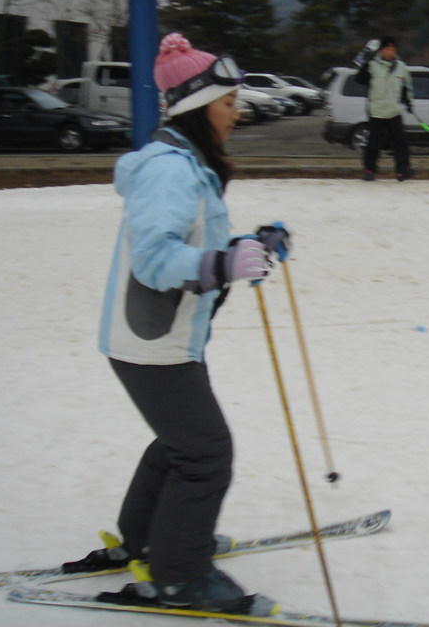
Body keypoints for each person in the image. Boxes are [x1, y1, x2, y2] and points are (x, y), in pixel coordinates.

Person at [83, 33, 290, 615]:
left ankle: (148, 541)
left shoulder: (186, 165)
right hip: (152, 343)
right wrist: (223, 264)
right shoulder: (169, 171)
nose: (236, 113)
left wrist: (252, 245)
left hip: (157, 339)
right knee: (205, 454)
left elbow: (197, 243)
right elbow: (155, 258)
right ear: (199, 107)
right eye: (228, 102)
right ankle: (179, 574)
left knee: (181, 443)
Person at [354, 36, 416, 182]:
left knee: (400, 141)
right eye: (388, 49)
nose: (390, 52)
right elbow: (359, 79)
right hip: (376, 111)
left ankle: (403, 170)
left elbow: (407, 86)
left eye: (393, 49)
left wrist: (409, 101)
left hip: (393, 111)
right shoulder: (372, 66)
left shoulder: (401, 66)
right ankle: (369, 170)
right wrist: (364, 58)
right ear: (381, 50)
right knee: (374, 143)